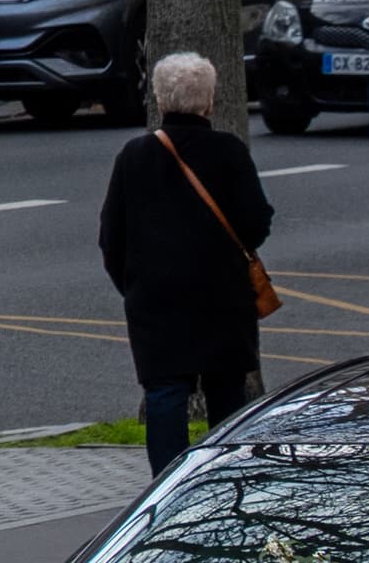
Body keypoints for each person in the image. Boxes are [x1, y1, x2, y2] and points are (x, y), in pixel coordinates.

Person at [98, 51, 277, 475]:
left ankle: (168, 485)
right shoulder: (229, 151)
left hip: (156, 298)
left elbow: (111, 236)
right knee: (227, 394)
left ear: (159, 100)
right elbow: (256, 223)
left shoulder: (134, 156)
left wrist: (135, 285)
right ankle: (220, 477)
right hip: (223, 297)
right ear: (209, 101)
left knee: (165, 394)